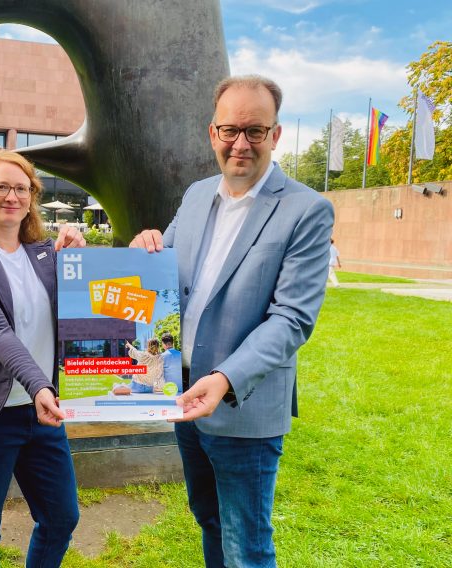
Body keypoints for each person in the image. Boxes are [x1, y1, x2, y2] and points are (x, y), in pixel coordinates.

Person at [130, 75, 334, 567]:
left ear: (276, 135)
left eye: (255, 131)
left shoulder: (308, 210)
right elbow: (167, 277)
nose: (240, 143)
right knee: (208, 518)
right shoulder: (197, 194)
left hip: (244, 408)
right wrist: (145, 249)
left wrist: (224, 379)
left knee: (246, 544)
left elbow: (291, 320)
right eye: (229, 130)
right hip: (183, 398)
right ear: (212, 133)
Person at [0, 150, 85, 567]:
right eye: (1, 186)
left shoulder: (46, 255)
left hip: (42, 416)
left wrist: (80, 252)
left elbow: (87, 308)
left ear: (31, 196)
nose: (11, 196)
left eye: (21, 188)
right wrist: (40, 383)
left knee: (62, 517)